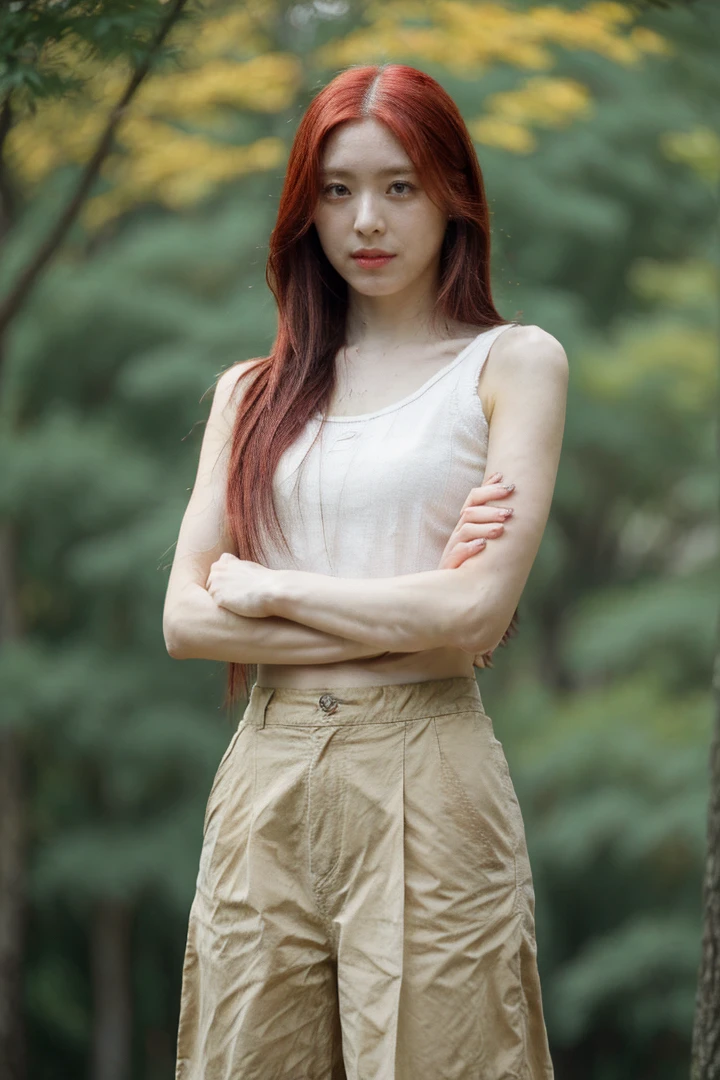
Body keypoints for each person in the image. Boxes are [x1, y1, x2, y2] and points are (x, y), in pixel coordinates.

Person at [164, 62, 567, 1080]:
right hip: (267, 777)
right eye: (337, 191)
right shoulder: (250, 393)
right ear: (307, 211)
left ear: (453, 195)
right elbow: (186, 619)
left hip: (427, 771)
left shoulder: (512, 364)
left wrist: (273, 587)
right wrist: (411, 609)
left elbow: (476, 610)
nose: (367, 221)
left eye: (401, 186)